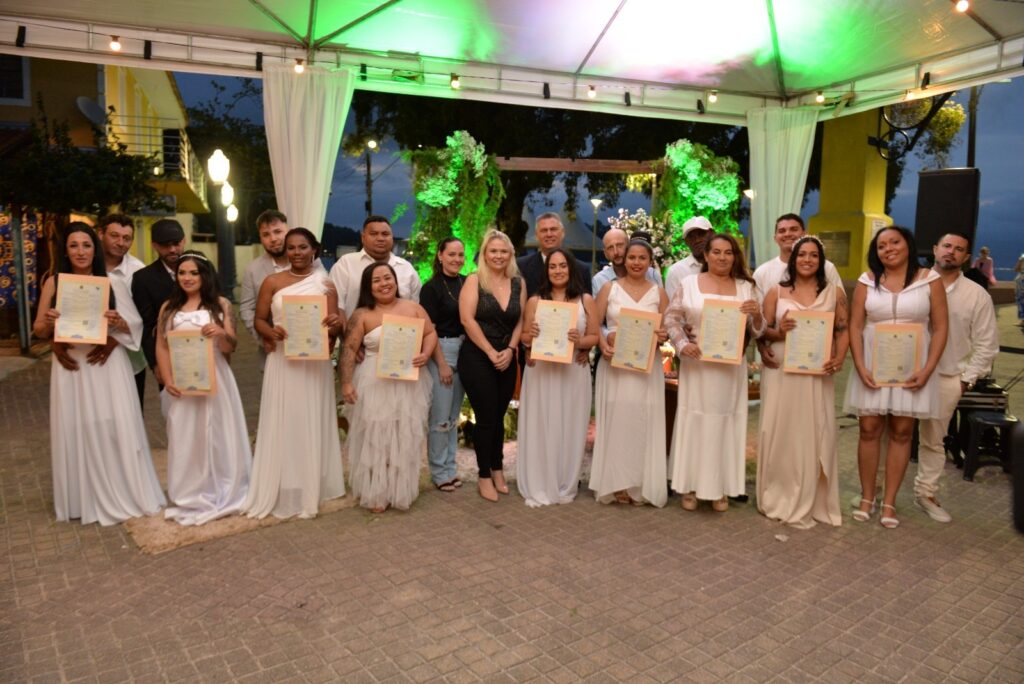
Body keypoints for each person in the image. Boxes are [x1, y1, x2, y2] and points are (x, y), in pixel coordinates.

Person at [33, 223, 165, 525]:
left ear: (95, 248)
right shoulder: (55, 282)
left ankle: (121, 490)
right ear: (65, 251)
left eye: (86, 245)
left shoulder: (111, 282)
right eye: (74, 245)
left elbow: (134, 325)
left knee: (111, 425)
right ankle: (83, 498)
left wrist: (116, 325)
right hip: (72, 366)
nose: (81, 252)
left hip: (106, 367)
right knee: (75, 426)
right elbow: (38, 328)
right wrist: (50, 327)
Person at [844, 226, 948, 529]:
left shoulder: (929, 279)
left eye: (894, 242)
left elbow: (941, 327)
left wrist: (927, 369)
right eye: (881, 245)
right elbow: (855, 325)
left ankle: (889, 502)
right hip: (873, 365)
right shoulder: (867, 281)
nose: (888, 248)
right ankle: (867, 497)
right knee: (868, 429)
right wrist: (859, 365)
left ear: (908, 245)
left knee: (903, 431)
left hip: (912, 367)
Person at [242, 228, 346, 519]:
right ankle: (284, 481)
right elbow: (259, 319)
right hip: (283, 359)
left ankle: (312, 482)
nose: (297, 253)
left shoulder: (325, 284)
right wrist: (270, 331)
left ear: (314, 249)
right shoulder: (272, 282)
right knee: (284, 417)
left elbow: (334, 328)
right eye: (291, 248)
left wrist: (335, 323)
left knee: (310, 417)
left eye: (302, 247)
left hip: (314, 363)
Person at [666, 233, 765, 512]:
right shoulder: (688, 284)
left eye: (728, 252)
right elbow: (671, 319)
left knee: (725, 423)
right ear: (706, 255)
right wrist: (682, 344)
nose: (722, 257)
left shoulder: (746, 287)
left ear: (735, 256)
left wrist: (757, 314)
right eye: (717, 252)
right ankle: (690, 485)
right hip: (698, 365)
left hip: (730, 369)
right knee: (696, 420)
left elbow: (758, 331)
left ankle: (720, 487)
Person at [756, 236, 849, 528]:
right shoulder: (776, 291)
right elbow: (761, 331)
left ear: (821, 261)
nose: (807, 260)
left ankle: (813, 495)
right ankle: (778, 492)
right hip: (782, 370)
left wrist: (840, 358)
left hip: (816, 373)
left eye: (813, 255)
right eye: (802, 255)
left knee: (814, 430)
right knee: (781, 429)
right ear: (793, 259)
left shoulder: (834, 292)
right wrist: (778, 331)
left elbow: (843, 330)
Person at [155, 251, 252, 525]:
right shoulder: (169, 308)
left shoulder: (221, 305)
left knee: (218, 431)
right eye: (182, 273)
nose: (187, 278)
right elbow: (162, 346)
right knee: (186, 433)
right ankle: (190, 492)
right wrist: (167, 378)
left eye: (193, 273)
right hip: (183, 380)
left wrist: (221, 333)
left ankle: (225, 487)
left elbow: (231, 346)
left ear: (205, 275)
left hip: (215, 376)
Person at [340, 262, 436, 513]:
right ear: (368, 287)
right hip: (374, 382)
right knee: (376, 437)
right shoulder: (362, 314)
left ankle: (399, 489)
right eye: (377, 280)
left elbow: (430, 333)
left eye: (388, 278)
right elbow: (349, 348)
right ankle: (377, 493)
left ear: (395, 280)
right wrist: (346, 382)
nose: (384, 284)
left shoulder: (413, 308)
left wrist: (426, 354)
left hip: (408, 381)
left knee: (404, 435)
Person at [915, 233, 998, 523]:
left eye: (959, 249)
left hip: (947, 377)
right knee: (892, 436)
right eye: (947, 246)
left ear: (966, 257)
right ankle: (878, 492)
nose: (951, 252)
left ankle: (925, 494)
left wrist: (965, 380)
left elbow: (987, 344)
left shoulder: (976, 295)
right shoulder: (913, 283)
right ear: (935, 249)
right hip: (904, 375)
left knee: (933, 441)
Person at [589, 238, 670, 507]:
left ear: (650, 262)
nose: (636, 262)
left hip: (646, 368)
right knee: (618, 420)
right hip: (616, 366)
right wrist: (603, 344)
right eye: (632, 257)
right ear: (624, 260)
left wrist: (663, 335)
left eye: (642, 258)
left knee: (642, 421)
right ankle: (616, 482)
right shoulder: (610, 288)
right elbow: (594, 323)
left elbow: (668, 328)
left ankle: (641, 484)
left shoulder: (659, 293)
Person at [517, 249, 600, 507]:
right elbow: (524, 338)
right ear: (547, 271)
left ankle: (565, 481)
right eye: (552, 267)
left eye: (562, 266)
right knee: (542, 423)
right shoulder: (535, 301)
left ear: (570, 269)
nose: (558, 271)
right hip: (542, 371)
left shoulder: (585, 300)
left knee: (570, 424)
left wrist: (580, 341)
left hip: (573, 370)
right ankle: (540, 479)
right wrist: (530, 336)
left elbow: (595, 336)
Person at [459, 229, 525, 502]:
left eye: (503, 251)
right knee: (486, 418)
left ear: (511, 254)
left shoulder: (519, 283)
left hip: (507, 357)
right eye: (493, 251)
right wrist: (490, 351)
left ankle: (498, 469)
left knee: (498, 417)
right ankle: (484, 474)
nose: (498, 255)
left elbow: (521, 320)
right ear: (485, 254)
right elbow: (467, 320)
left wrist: (510, 349)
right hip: (477, 357)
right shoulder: (475, 280)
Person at [753, 214, 842, 370]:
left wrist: (837, 353)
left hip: (818, 357)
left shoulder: (827, 268)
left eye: (793, 229)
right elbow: (759, 319)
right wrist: (761, 347)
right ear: (775, 237)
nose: (787, 234)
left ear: (804, 233)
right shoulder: (762, 272)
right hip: (780, 354)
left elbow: (839, 317)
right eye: (782, 231)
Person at [419, 237, 467, 492]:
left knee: (453, 416)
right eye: (451, 254)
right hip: (442, 350)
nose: (457, 259)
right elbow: (430, 331)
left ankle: (451, 467)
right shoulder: (431, 288)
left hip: (465, 350)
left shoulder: (467, 283)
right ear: (440, 255)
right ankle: (439, 472)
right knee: (440, 417)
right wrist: (441, 364)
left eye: (460, 255)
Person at [95, 214, 148, 405]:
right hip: (90, 359)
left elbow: (145, 318)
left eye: (127, 238)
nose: (121, 243)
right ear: (101, 234)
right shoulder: (85, 265)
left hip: (130, 361)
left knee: (130, 414)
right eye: (114, 236)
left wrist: (115, 340)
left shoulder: (139, 272)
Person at [131, 218, 186, 395]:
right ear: (154, 245)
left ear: (184, 241)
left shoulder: (202, 269)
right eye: (165, 245)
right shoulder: (143, 279)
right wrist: (155, 364)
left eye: (176, 243)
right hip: (167, 356)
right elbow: (147, 325)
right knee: (173, 405)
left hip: (203, 351)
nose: (172, 249)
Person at [329, 214, 421, 319]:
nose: (380, 238)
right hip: (355, 328)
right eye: (374, 234)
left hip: (399, 328)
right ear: (363, 237)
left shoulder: (406, 268)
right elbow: (337, 306)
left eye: (385, 234)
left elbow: (415, 308)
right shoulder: (346, 264)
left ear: (392, 237)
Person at [239, 210, 293, 366]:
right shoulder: (253, 269)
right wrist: (263, 338)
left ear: (288, 231)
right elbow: (246, 309)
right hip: (272, 350)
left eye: (278, 231)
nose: (273, 239)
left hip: (308, 348)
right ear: (260, 238)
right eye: (266, 234)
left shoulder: (309, 262)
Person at [517, 212, 591, 297]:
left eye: (553, 229)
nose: (549, 234)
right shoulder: (521, 267)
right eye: (544, 230)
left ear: (562, 233)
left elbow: (587, 302)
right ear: (537, 235)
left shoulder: (581, 270)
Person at [591, 227, 662, 293]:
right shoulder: (599, 280)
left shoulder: (652, 275)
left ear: (629, 245)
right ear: (605, 253)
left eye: (619, 245)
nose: (616, 252)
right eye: (610, 248)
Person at [664, 216, 713, 300]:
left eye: (701, 234)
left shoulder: (724, 266)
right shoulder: (676, 271)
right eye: (691, 237)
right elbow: (673, 306)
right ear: (686, 242)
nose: (697, 240)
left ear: (712, 234)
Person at [1016, 253, 1024, 327]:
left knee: (1021, 300)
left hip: (1022, 280)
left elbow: (1016, 269)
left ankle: (1023, 321)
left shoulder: (1022, 256)